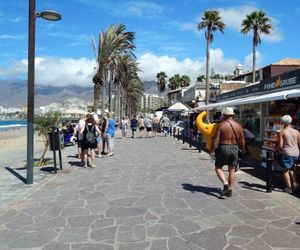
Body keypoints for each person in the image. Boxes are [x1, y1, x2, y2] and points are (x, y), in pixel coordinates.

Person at [210, 107, 245, 197]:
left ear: (224, 115)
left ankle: (225, 184)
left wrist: (212, 150)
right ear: (232, 115)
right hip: (234, 148)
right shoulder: (238, 126)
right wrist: (242, 150)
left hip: (223, 147)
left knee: (218, 167)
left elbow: (216, 139)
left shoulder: (221, 125)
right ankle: (230, 189)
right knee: (232, 170)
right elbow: (242, 141)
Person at [278, 115, 300, 194]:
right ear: (290, 121)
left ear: (282, 122)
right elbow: (299, 144)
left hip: (287, 153)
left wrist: (279, 151)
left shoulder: (282, 132)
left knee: (285, 170)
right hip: (296, 153)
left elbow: (280, 146)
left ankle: (289, 188)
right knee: (292, 169)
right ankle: (295, 183)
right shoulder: (297, 132)